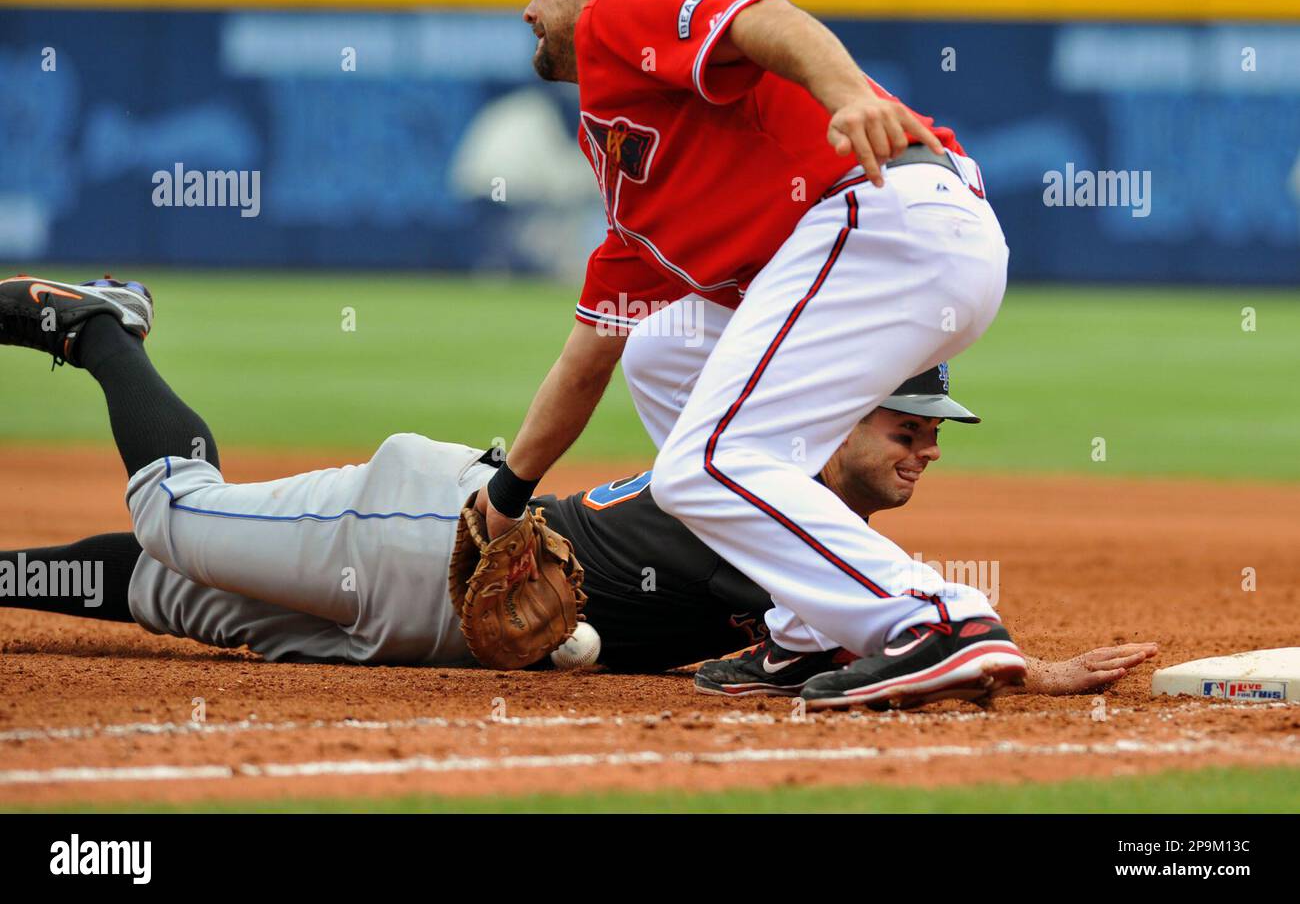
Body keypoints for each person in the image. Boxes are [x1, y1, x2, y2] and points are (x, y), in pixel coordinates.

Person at [0, 274, 1157, 698]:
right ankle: (102, 327)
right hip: (433, 536)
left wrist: (1013, 670)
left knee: (179, 595)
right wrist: (1016, 664)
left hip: (450, 639)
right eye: (907, 422)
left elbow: (819, 652)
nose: (928, 446)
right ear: (839, 408)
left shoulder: (810, 530)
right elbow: (891, 628)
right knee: (178, 517)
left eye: (934, 429)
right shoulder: (754, 478)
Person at [482, 0, 1019, 709]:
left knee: (705, 464)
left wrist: (847, 94)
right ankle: (810, 626)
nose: (530, 7)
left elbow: (763, 18)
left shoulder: (625, 0)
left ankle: (938, 619)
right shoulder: (638, 177)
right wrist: (506, 495)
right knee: (664, 348)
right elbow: (590, 354)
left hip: (886, 220)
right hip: (902, 245)